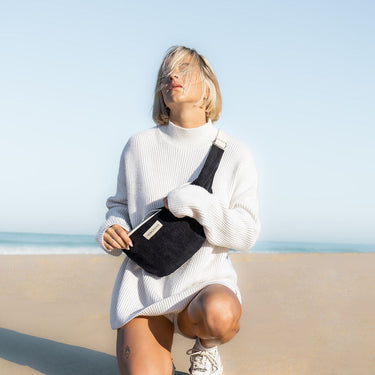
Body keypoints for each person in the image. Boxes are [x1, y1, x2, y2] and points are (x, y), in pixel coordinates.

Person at [96, 45, 260, 375]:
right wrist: (110, 229)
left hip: (202, 287)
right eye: (166, 73)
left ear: (208, 86)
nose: (172, 76)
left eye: (184, 69)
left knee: (220, 314)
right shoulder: (139, 146)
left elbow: (246, 233)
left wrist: (197, 202)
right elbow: (120, 207)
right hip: (145, 287)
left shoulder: (234, 153)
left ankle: (206, 349)